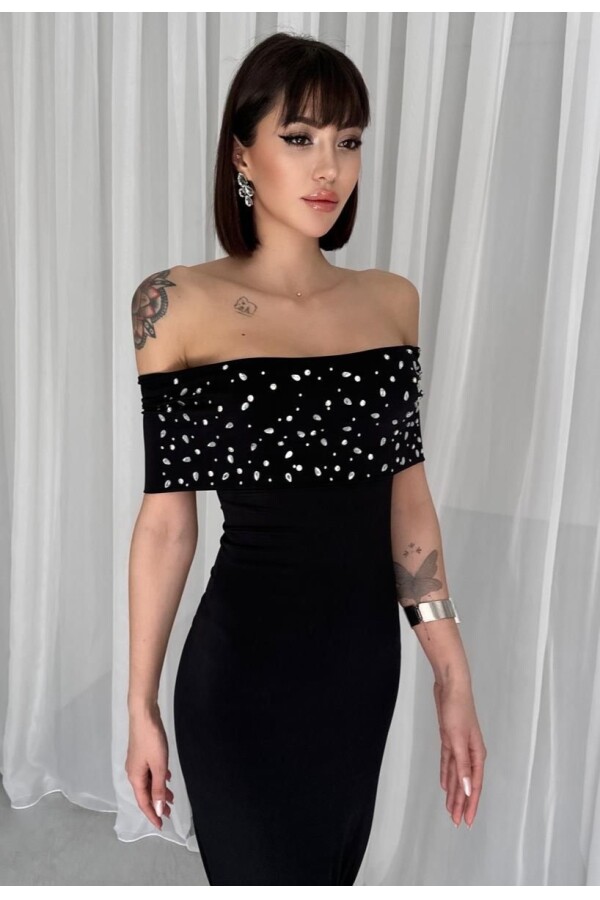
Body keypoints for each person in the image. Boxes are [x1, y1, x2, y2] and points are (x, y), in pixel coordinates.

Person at [126, 31, 486, 886]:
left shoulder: (390, 302)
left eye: (348, 140)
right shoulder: (174, 304)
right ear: (241, 152)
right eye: (300, 137)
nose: (330, 167)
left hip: (360, 672)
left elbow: (407, 504)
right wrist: (139, 703)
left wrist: (451, 674)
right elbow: (168, 523)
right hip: (239, 675)